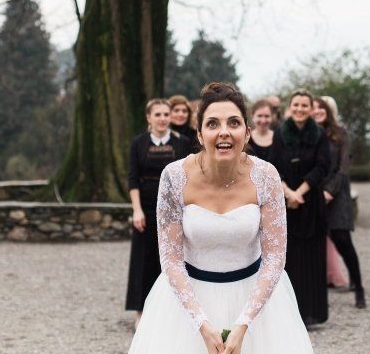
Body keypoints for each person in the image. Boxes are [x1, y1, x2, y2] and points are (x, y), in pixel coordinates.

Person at [129, 82, 313, 354]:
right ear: (200, 134)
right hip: (187, 304)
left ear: (247, 132)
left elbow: (274, 257)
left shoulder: (266, 176)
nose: (224, 132)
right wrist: (200, 323)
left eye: (234, 123)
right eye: (213, 124)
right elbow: (170, 259)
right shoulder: (174, 176)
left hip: (256, 304)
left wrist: (244, 323)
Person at [126, 99, 192, 326]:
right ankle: (141, 312)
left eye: (166, 114)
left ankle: (173, 312)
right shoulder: (139, 143)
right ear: (149, 118)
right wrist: (136, 210)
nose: (163, 118)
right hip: (145, 206)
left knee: (172, 258)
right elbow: (133, 178)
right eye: (158, 114)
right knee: (143, 260)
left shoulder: (182, 142)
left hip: (174, 208)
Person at [270, 89, 331, 326]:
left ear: (311, 108)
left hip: (311, 203)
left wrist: (300, 192)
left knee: (312, 260)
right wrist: (288, 193)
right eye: (296, 105)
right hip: (285, 202)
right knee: (290, 260)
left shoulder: (320, 135)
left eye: (304, 105)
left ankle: (312, 313)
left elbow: (322, 166)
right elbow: (273, 166)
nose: (299, 109)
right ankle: (289, 314)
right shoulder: (279, 134)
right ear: (290, 106)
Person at [313, 96, 366, 309]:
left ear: (328, 111)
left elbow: (343, 168)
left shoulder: (340, 133)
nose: (317, 111)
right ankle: (317, 297)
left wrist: (329, 191)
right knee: (316, 247)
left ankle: (359, 287)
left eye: (321, 108)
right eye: (314, 108)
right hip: (314, 195)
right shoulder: (310, 134)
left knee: (343, 241)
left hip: (337, 196)